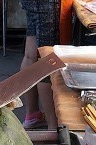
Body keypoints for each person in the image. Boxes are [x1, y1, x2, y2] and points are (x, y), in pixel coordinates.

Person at [20, 0, 63, 130]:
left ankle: (32, 115)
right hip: (47, 3)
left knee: (31, 54)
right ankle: (53, 127)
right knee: (48, 58)